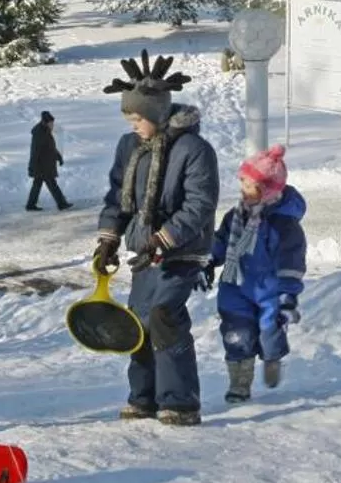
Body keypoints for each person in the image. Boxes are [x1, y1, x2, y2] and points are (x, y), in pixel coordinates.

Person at [93, 52, 217, 426]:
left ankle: (180, 403)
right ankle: (143, 398)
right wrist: (108, 239)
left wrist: (164, 239)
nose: (133, 125)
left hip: (182, 250)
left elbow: (199, 204)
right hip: (143, 250)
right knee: (140, 321)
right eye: (129, 118)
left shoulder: (194, 150)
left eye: (138, 118)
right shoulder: (129, 147)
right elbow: (117, 196)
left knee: (165, 316)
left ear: (158, 115)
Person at [209, 145, 306, 403]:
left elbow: (291, 260)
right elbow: (221, 242)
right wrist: (208, 259)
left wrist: (288, 295)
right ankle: (239, 384)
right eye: (242, 182)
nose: (243, 189)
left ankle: (272, 356)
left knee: (268, 332)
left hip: (269, 291)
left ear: (267, 191)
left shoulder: (283, 224)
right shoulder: (236, 215)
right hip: (235, 286)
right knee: (236, 333)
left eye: (249, 185)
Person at [26, 111, 68, 211]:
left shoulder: (45, 131)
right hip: (42, 166)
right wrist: (32, 166)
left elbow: (50, 148)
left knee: (37, 185)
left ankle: (30, 205)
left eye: (52, 123)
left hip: (45, 164)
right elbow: (35, 151)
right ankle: (62, 204)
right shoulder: (40, 133)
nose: (52, 125)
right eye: (51, 123)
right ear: (46, 122)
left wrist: (59, 157)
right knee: (52, 184)